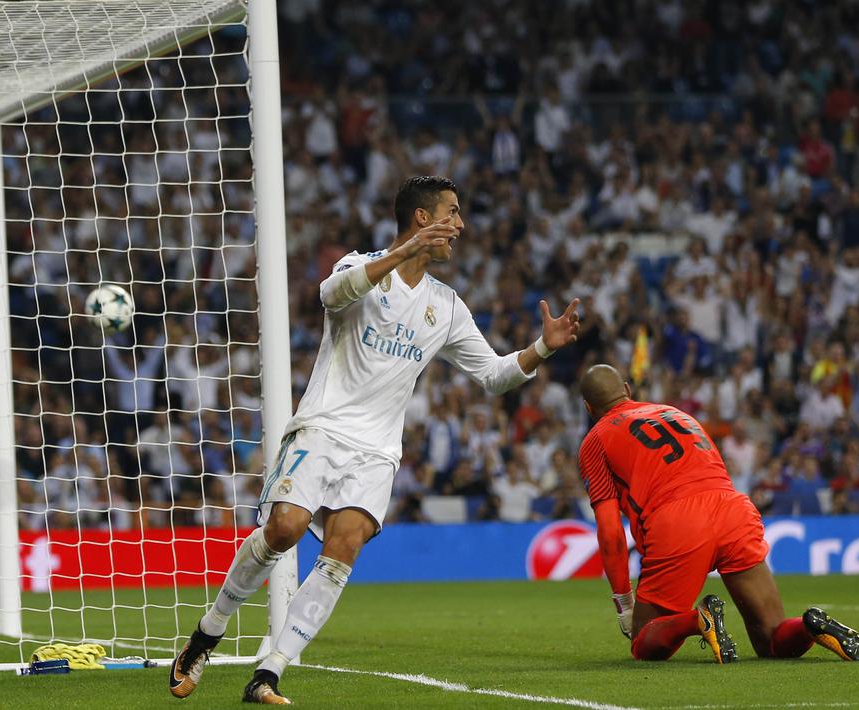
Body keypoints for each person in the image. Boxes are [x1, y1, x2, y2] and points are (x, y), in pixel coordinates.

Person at [169, 176, 581, 703]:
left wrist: (541, 348)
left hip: (378, 450)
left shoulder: (447, 306)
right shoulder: (356, 266)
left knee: (343, 551)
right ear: (421, 218)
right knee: (285, 528)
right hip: (323, 426)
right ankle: (209, 631)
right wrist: (402, 254)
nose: (461, 224)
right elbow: (329, 294)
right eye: (452, 213)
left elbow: (495, 376)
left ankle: (269, 671)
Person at [576, 364, 859, 664]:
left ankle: (698, 620)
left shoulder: (595, 440)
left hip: (678, 522)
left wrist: (624, 603)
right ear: (627, 390)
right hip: (733, 508)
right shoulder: (676, 413)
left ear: (589, 407)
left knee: (644, 641)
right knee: (772, 638)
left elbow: (611, 531)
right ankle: (809, 627)